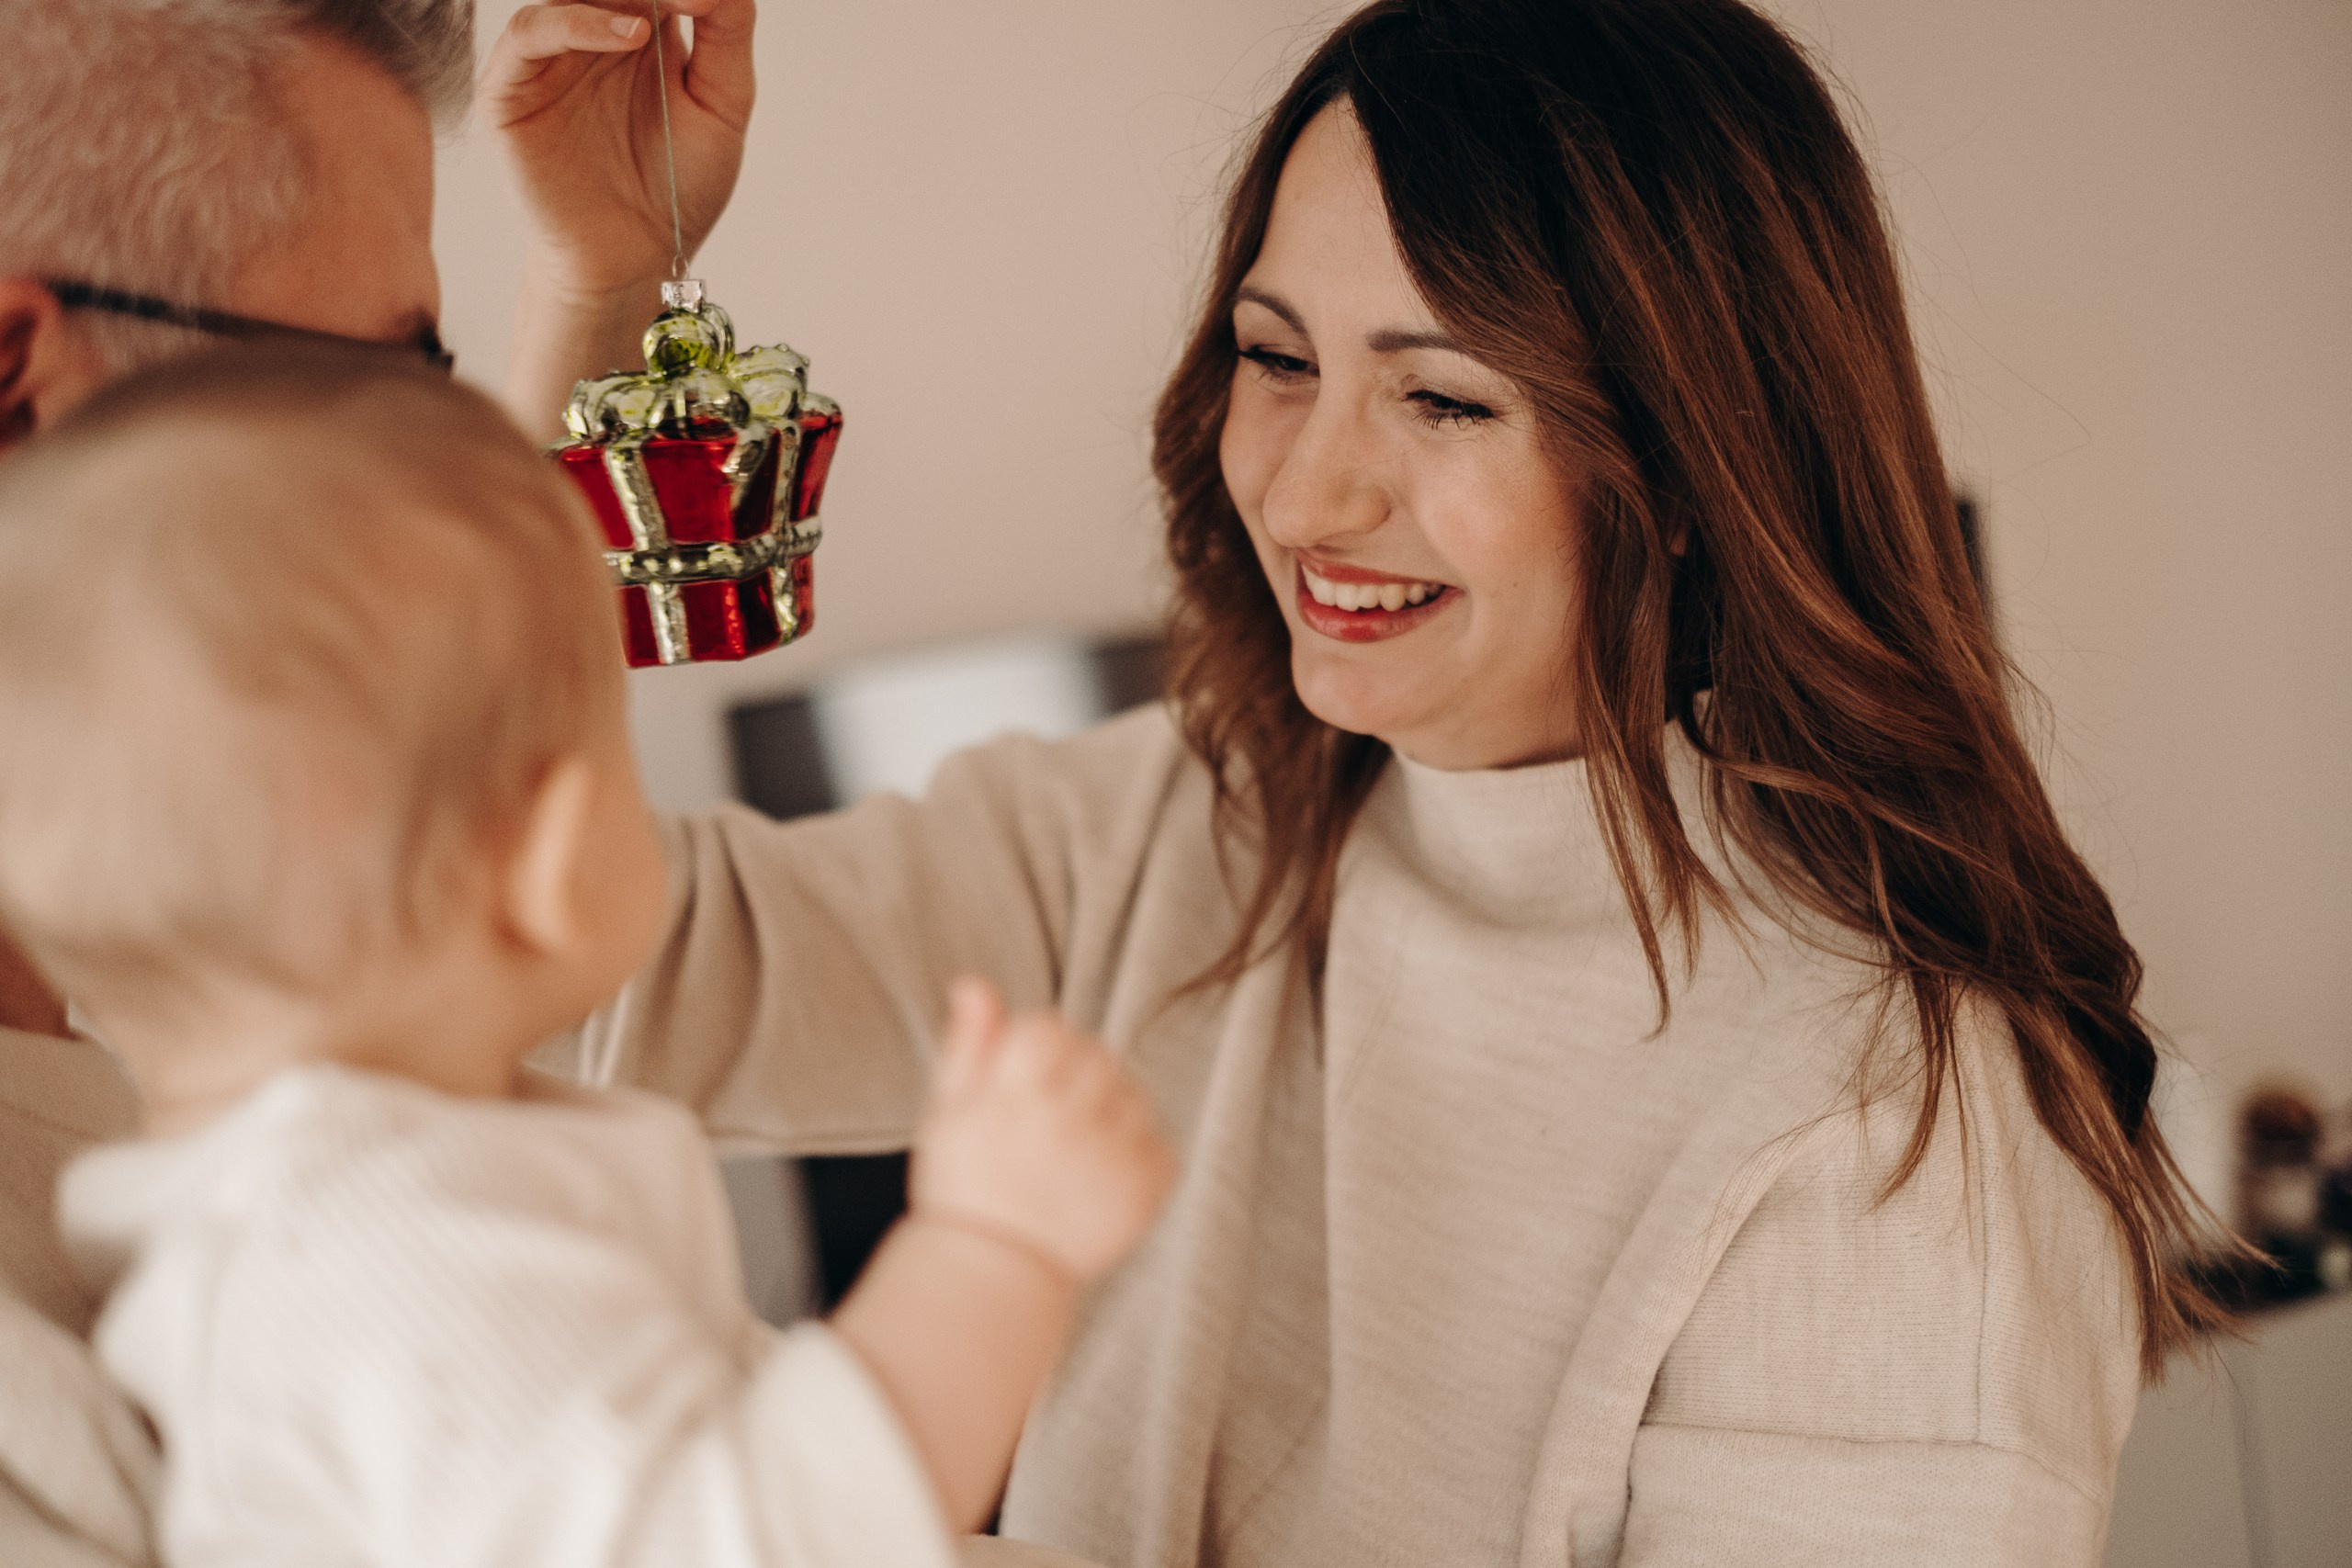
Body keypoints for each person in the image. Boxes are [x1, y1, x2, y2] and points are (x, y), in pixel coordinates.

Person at [558, 2, 2228, 1564]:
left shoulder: (1890, 1128)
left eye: (1441, 397)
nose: (1299, 495)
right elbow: (534, 963)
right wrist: (600, 288)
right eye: (1277, 360)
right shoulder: (1202, 820)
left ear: (1701, 458)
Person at [0, 348, 1174, 1568]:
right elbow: (751, 1545)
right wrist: (994, 1249)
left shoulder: (311, 1204)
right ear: (553, 857)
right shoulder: (393, 1260)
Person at [0, 3, 753, 1562]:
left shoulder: (221, 921)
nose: (427, 448)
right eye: (384, 382)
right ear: (13, 378)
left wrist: (600, 281)